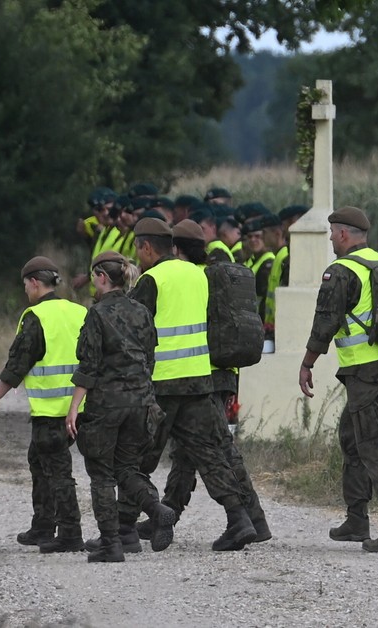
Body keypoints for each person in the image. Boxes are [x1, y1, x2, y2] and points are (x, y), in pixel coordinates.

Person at [123, 217, 257, 552]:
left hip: (162, 385)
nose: (138, 257)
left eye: (138, 249)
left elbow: (133, 332)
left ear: (147, 247)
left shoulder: (151, 280)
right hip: (199, 380)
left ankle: (123, 528)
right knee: (209, 454)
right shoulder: (199, 276)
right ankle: (238, 519)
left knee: (136, 456)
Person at [297, 207, 378, 553]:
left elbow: (325, 322)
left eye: (331, 234)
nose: (330, 240)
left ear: (342, 234)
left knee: (373, 444)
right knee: (352, 437)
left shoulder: (341, 271)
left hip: (365, 371)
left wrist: (306, 364)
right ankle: (356, 520)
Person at [66, 251, 177, 562]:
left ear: (101, 277)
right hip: (142, 402)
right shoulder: (142, 312)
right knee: (127, 468)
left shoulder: (97, 314)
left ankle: (111, 544)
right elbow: (150, 358)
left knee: (101, 472)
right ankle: (156, 508)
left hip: (107, 405)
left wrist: (74, 407)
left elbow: (89, 366)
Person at [0, 256, 87, 553]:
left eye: (26, 285)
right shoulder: (79, 311)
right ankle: (43, 525)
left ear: (35, 283)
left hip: (52, 410)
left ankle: (69, 533)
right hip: (80, 406)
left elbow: (18, 363)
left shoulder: (35, 316)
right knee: (38, 460)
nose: (25, 290)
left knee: (56, 470)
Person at [243, 214, 277, 319]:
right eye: (250, 237)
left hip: (260, 317)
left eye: (257, 236)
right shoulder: (251, 260)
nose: (253, 240)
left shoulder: (269, 262)